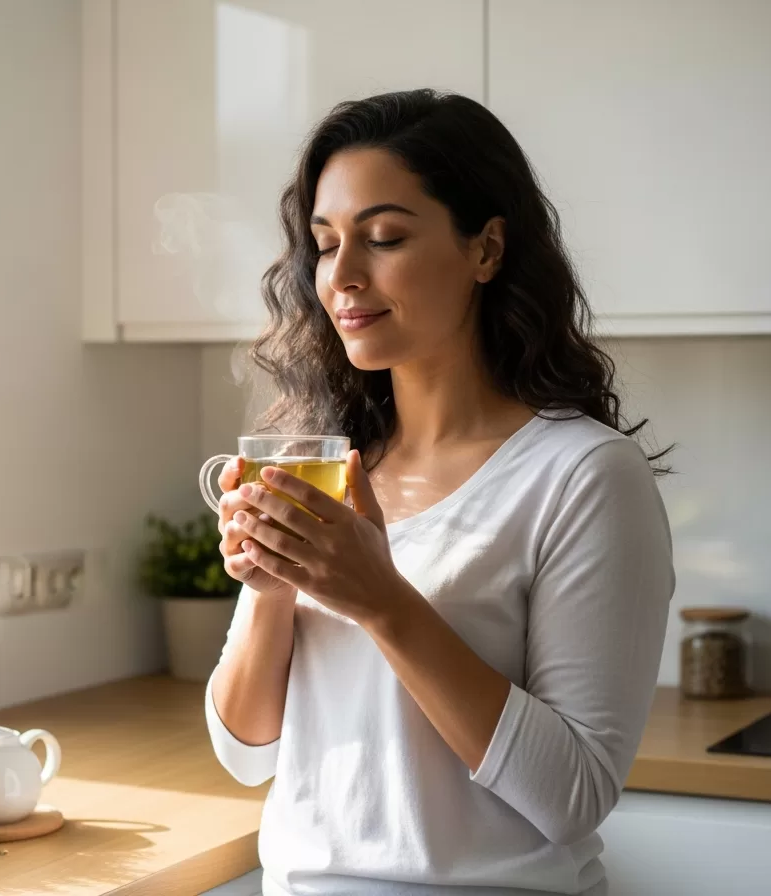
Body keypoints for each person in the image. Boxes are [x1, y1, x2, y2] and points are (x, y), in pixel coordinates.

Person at [207, 89, 675, 896]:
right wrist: (276, 591)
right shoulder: (331, 469)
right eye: (324, 244)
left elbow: (573, 796)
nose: (342, 275)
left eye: (384, 237)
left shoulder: (581, 476)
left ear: (486, 249)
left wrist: (381, 599)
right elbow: (246, 752)